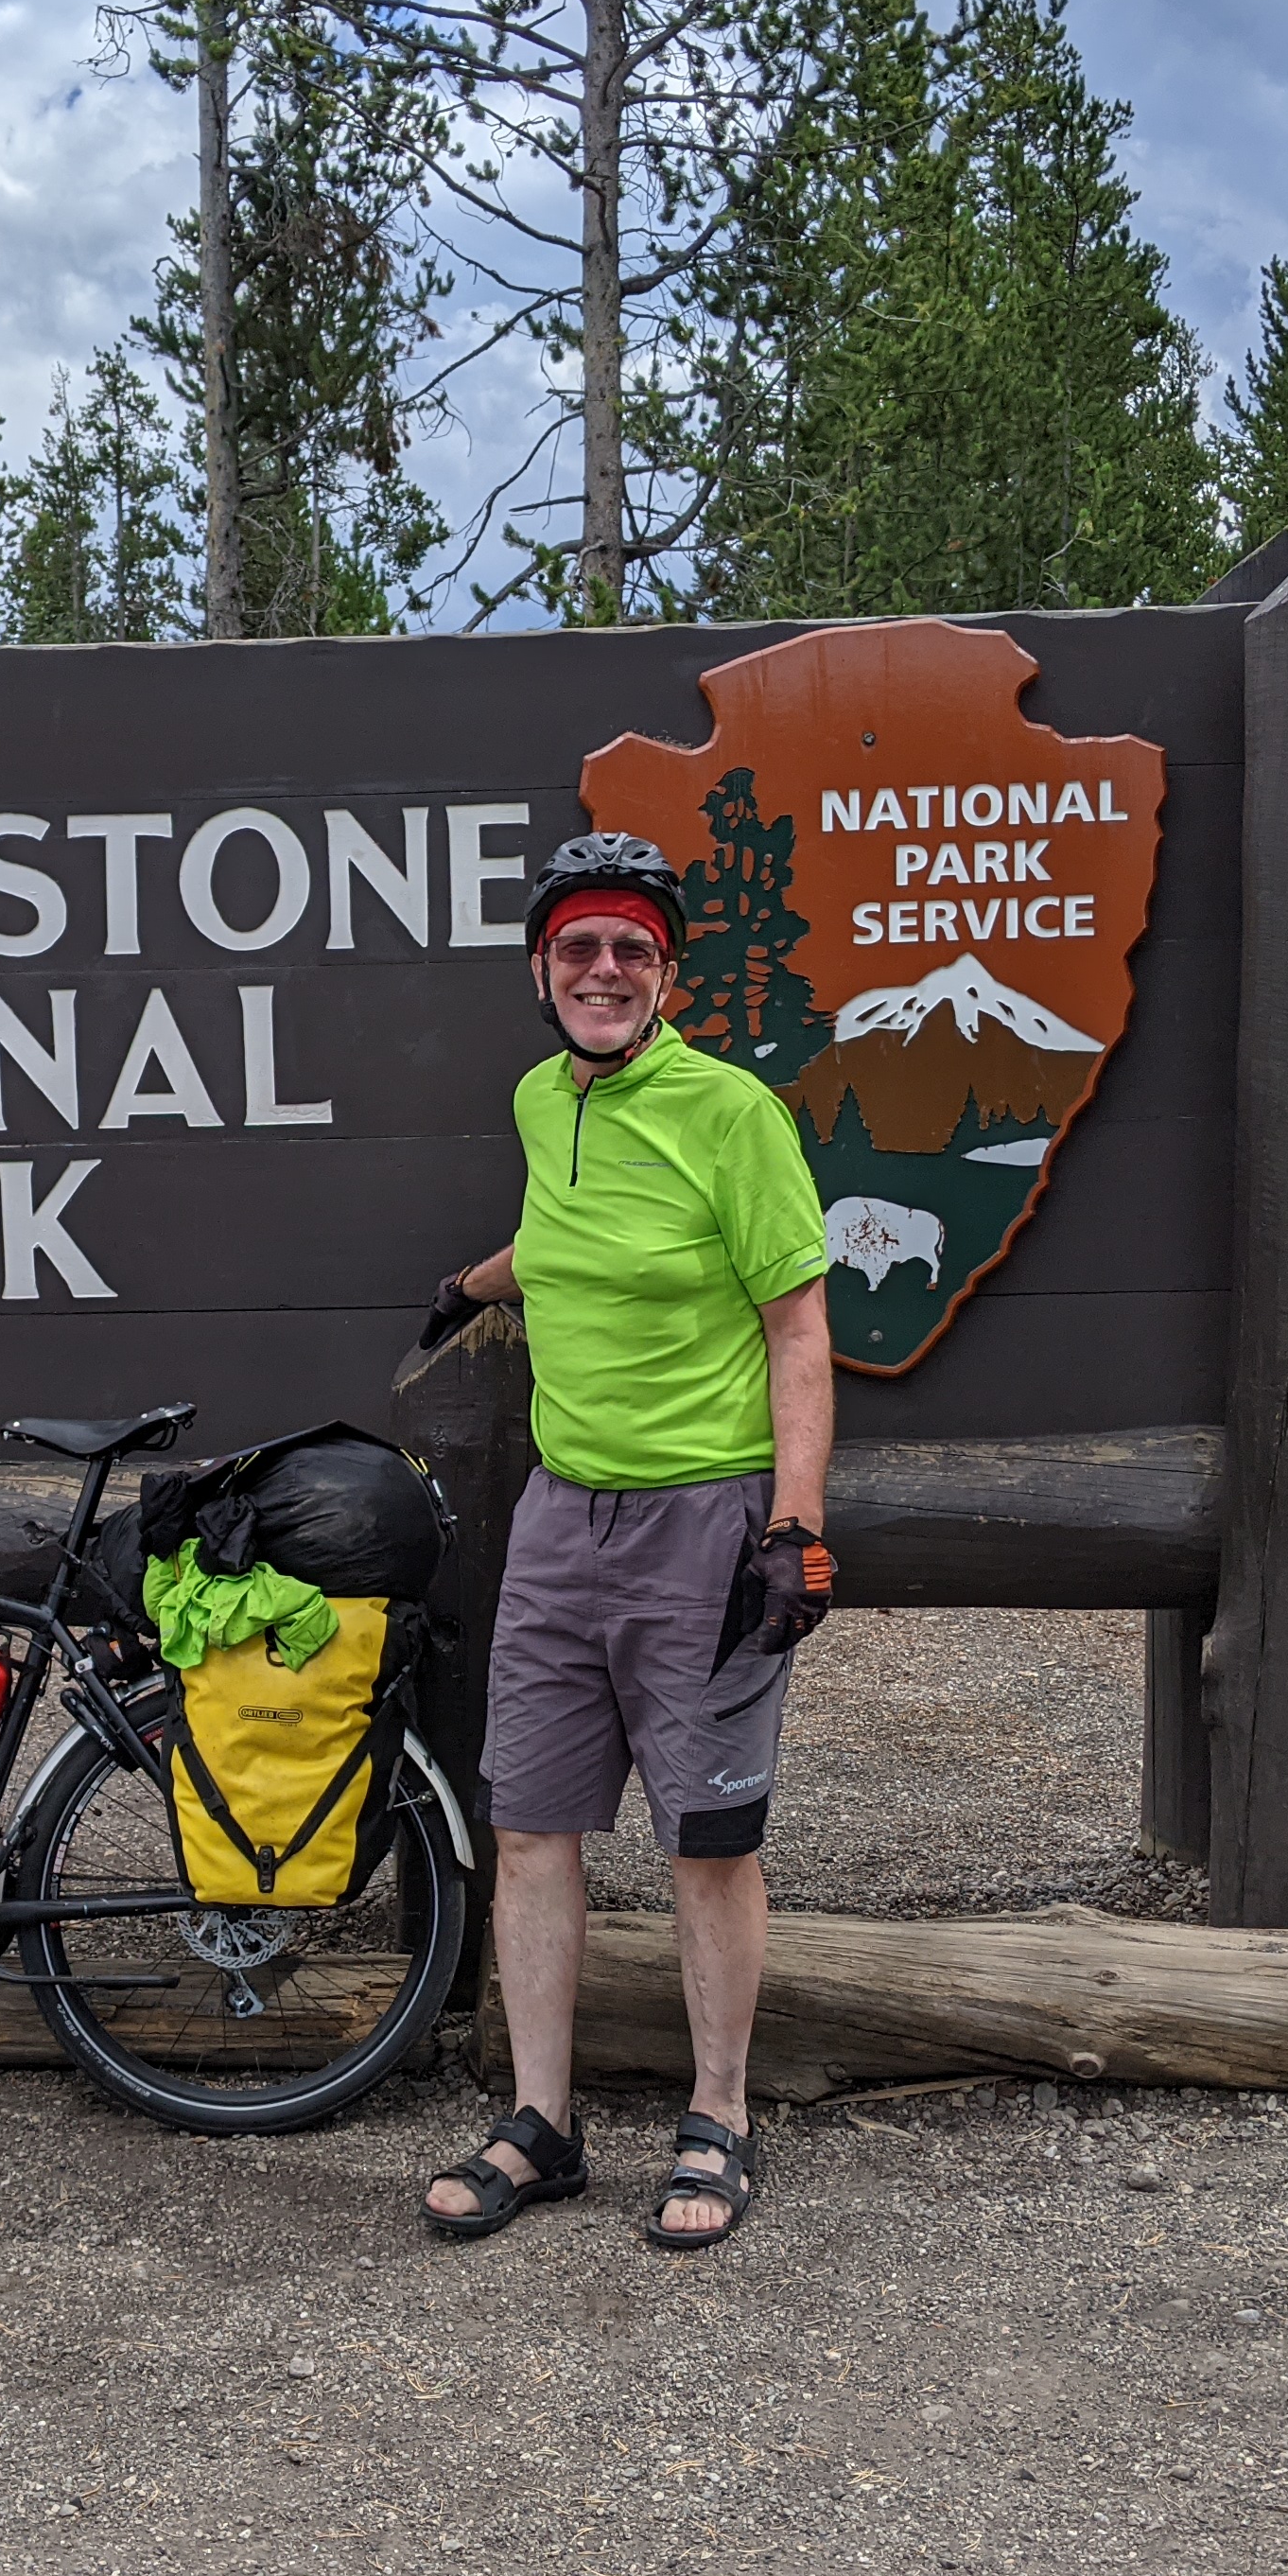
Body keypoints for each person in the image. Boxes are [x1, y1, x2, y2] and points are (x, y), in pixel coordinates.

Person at [415, 832, 835, 2251]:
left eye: (632, 950)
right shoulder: (546, 1099)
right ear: (542, 971)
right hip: (559, 1514)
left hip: (704, 1520)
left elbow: (799, 1330)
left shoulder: (733, 1114)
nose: (605, 969)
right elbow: (567, 1229)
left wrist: (796, 1525)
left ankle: (719, 2115)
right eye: (580, 947)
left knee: (707, 1834)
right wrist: (471, 1281)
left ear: (668, 978)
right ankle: (542, 2122)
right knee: (531, 1824)